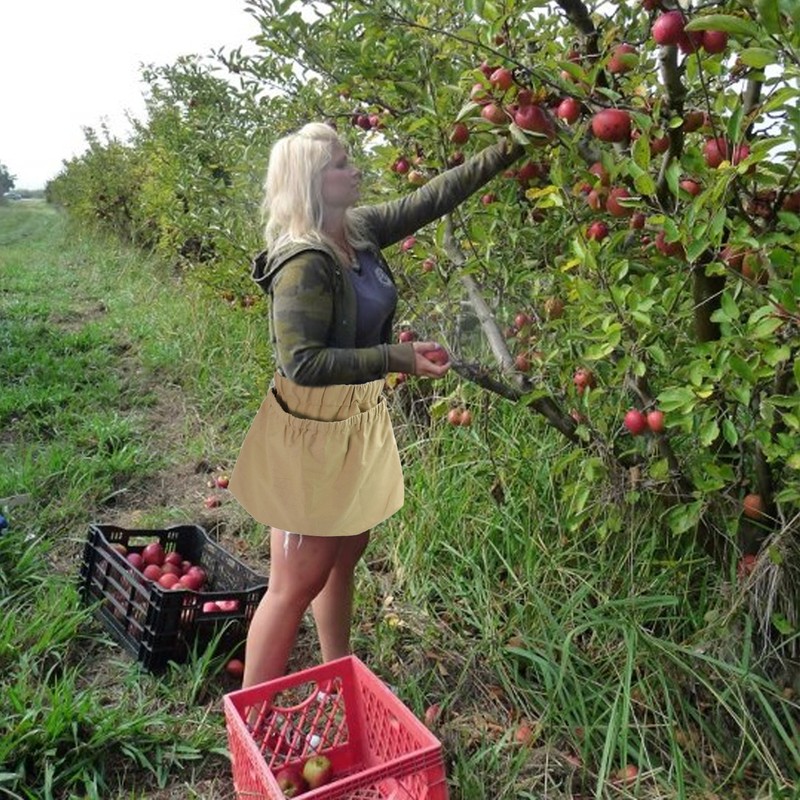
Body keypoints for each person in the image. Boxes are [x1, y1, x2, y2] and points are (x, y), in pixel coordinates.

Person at [229, 122, 523, 689]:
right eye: (341, 164)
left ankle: (336, 675)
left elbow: (431, 198)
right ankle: (251, 718)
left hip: (354, 420)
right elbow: (301, 363)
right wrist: (397, 357)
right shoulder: (305, 261)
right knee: (295, 581)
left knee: (344, 553)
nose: (354, 169)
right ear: (314, 182)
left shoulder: (356, 231)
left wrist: (511, 144)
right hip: (310, 429)